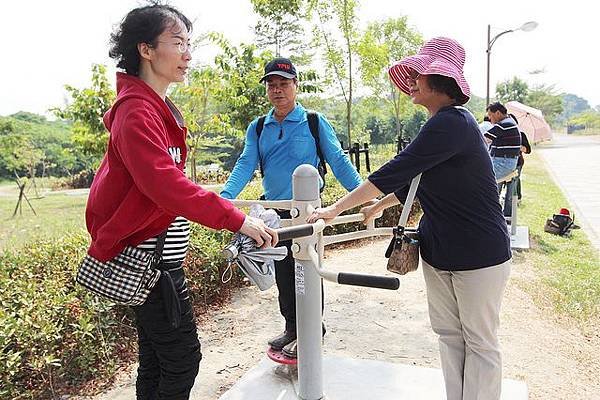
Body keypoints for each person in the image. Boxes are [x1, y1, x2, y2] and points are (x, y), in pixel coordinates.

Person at [85, 5, 277, 399]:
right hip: (151, 267)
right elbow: (166, 185)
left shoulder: (154, 107)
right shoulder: (137, 111)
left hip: (158, 263)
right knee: (182, 360)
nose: (188, 54)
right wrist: (236, 219)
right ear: (146, 50)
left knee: (157, 360)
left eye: (189, 44)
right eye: (177, 43)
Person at [308, 37, 512, 400]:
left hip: (479, 253)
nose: (413, 79)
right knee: (450, 336)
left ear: (440, 80)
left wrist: (334, 209)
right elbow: (415, 179)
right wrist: (378, 205)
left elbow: (397, 168)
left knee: (480, 342)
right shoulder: (440, 125)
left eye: (420, 73)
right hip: (440, 250)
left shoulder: (454, 123)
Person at [220, 57, 362, 358]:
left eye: (284, 84)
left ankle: (313, 329)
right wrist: (225, 196)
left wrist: (363, 195)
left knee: (307, 268)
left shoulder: (313, 121)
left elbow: (338, 160)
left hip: (308, 213)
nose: (277, 90)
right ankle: (291, 327)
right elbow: (246, 163)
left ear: (295, 86)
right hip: (275, 214)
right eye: (272, 85)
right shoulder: (259, 127)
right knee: (283, 271)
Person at [484, 102, 521, 185]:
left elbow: (483, 139)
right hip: (505, 162)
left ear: (497, 113)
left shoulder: (504, 124)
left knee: (476, 177)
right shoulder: (509, 121)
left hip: (502, 163)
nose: (489, 118)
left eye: (490, 115)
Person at [502, 113, 531, 216]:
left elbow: (528, 150)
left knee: (511, 190)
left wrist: (517, 146)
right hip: (502, 164)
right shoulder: (501, 132)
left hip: (517, 164)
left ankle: (508, 215)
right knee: (497, 188)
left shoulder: (521, 134)